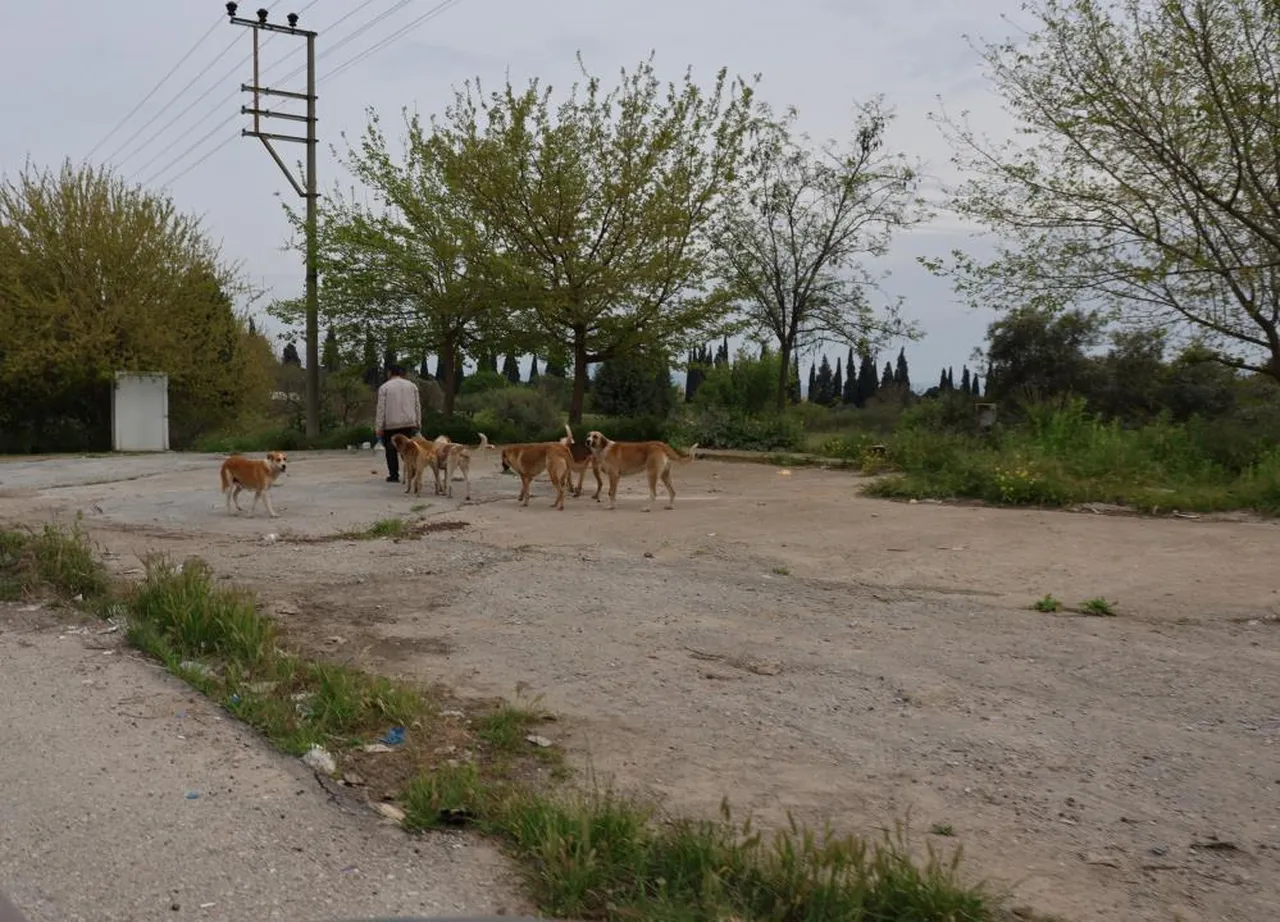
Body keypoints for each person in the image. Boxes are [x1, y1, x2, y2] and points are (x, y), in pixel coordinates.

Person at [374, 364, 422, 483]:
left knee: (391, 450)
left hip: (391, 424)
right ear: (401, 373)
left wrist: (379, 427)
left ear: (390, 373)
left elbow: (381, 408)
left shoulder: (384, 387)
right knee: (408, 449)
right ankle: (411, 470)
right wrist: (418, 422)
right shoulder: (412, 386)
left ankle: (394, 475)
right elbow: (417, 405)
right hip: (409, 422)